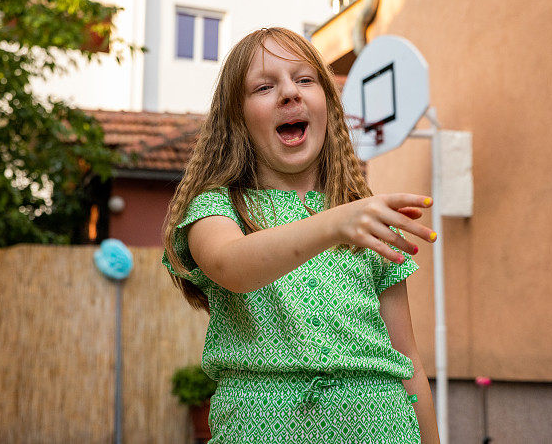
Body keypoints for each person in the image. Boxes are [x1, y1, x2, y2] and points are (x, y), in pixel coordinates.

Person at [161, 27, 440, 443]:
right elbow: (229, 264)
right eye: (264, 86)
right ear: (237, 119)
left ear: (327, 105)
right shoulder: (219, 207)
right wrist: (336, 224)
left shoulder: (362, 219)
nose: (289, 92)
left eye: (304, 79)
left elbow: (410, 363)